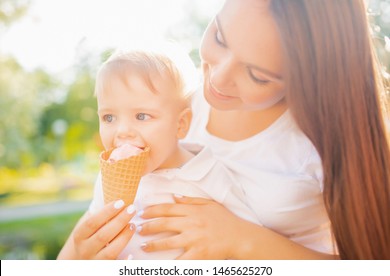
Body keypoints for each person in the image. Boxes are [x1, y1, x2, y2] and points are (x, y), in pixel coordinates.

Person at [59, 0, 390, 260]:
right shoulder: (169, 101)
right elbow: (78, 248)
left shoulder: (323, 142)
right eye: (219, 36)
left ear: (308, 74)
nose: (216, 80)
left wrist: (241, 240)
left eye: (258, 75)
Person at [57, 43, 260, 260]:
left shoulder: (211, 176)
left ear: (180, 124)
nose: (122, 131)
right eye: (109, 117)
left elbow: (246, 243)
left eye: (142, 116)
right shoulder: (107, 181)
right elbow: (88, 239)